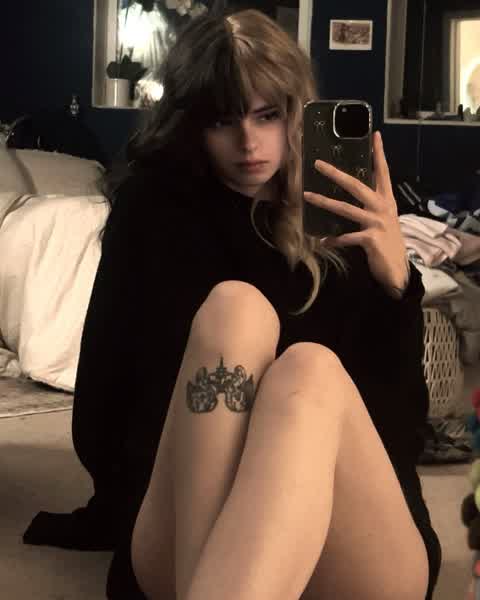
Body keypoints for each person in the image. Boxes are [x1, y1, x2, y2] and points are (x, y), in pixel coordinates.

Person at [23, 8, 441, 600]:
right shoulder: (155, 212)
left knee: (310, 370)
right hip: (188, 529)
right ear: (192, 122)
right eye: (224, 119)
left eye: (267, 115)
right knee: (236, 310)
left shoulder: (345, 220)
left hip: (349, 539)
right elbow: (105, 408)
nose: (249, 142)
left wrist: (397, 285)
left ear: (296, 112)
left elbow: (402, 428)